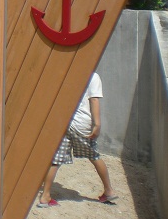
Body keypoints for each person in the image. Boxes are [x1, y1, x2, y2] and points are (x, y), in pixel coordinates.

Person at [37, 71, 117, 208]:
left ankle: (45, 196)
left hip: (65, 122)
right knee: (94, 156)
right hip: (82, 123)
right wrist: (97, 124)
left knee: (56, 160)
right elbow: (94, 100)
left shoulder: (69, 72)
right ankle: (108, 190)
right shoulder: (93, 76)